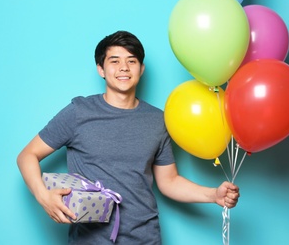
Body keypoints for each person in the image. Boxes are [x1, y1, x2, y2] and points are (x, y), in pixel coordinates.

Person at [17, 30, 240, 244]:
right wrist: (43, 197)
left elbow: (169, 181)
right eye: (114, 61)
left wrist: (213, 195)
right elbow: (27, 155)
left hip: (146, 238)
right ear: (101, 69)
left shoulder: (158, 120)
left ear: (141, 69)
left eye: (131, 61)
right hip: (90, 240)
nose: (123, 67)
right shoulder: (79, 112)